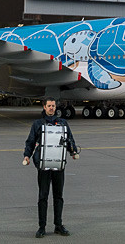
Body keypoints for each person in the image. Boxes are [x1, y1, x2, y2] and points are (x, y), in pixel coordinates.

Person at [24, 98, 77, 238]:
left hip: (58, 166)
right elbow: (30, 141)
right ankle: (41, 227)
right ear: (44, 107)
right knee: (43, 196)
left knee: (58, 196)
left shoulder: (63, 123)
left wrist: (73, 151)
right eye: (49, 106)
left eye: (53, 106)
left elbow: (70, 139)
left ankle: (58, 225)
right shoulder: (38, 124)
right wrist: (27, 156)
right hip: (43, 166)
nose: (51, 108)